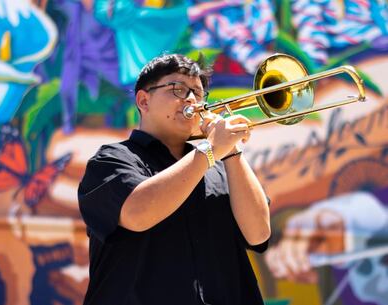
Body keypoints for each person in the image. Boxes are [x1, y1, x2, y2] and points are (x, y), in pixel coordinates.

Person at [78, 53, 271, 305]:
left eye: (197, 93)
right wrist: (210, 150)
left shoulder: (221, 166)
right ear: (144, 101)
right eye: (178, 90)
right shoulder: (111, 160)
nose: (192, 100)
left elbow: (258, 234)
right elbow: (138, 213)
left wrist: (232, 152)